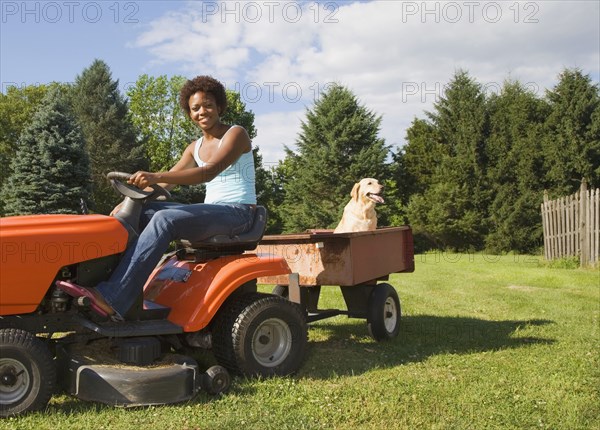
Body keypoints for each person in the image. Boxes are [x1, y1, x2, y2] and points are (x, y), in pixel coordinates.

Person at [59, 75, 256, 320]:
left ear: (220, 107)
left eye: (208, 105)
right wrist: (131, 201)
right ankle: (105, 286)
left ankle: (113, 297)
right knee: (137, 212)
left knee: (165, 219)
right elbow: (168, 179)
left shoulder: (236, 134)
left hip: (238, 213)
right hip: (214, 213)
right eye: (195, 108)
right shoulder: (193, 147)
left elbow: (208, 172)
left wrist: (153, 176)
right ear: (189, 113)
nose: (202, 111)